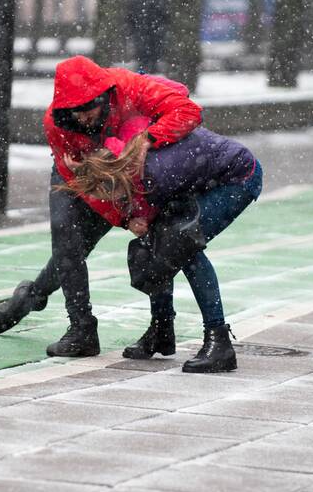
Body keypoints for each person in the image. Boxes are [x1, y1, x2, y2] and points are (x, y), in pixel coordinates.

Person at [0, 55, 202, 357]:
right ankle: (82, 329)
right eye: (75, 113)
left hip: (126, 172)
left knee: (84, 246)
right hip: (79, 174)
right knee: (66, 238)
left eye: (89, 109)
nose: (84, 119)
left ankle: (31, 296)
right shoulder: (57, 123)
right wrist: (122, 219)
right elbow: (83, 185)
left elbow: (188, 111)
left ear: (105, 96)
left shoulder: (129, 88)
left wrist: (146, 140)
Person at [60, 126, 263, 372]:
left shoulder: (155, 174)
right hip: (201, 176)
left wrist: (140, 219)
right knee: (157, 245)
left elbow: (153, 213)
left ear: (115, 179)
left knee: (184, 247)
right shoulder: (126, 164)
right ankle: (162, 329)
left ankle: (218, 341)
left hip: (239, 177)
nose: (112, 202)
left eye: (110, 195)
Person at [126, 0, 171, 74]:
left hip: (157, 28)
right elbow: (132, 9)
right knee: (143, 58)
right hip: (142, 28)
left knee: (155, 57)